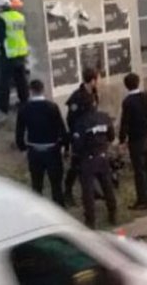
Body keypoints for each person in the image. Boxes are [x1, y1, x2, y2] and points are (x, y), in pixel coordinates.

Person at [15, 79, 68, 206]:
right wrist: (65, 146)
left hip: (34, 151)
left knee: (37, 185)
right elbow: (61, 129)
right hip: (52, 151)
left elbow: (19, 132)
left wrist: (22, 148)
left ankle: (39, 211)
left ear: (31, 91)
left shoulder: (24, 109)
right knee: (56, 185)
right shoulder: (52, 107)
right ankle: (59, 209)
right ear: (43, 90)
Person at [119, 72, 147, 210]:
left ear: (126, 86)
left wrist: (122, 139)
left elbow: (125, 122)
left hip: (136, 139)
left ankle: (142, 200)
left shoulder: (127, 102)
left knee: (139, 170)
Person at [74, 104, 117, 228]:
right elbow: (112, 136)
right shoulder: (104, 117)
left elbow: (78, 144)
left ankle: (90, 220)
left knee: (87, 191)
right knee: (107, 186)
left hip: (88, 159)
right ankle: (112, 213)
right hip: (102, 156)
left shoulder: (81, 122)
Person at [64, 67, 100, 207]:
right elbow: (70, 118)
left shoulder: (94, 94)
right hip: (80, 137)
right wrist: (76, 133)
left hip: (91, 136)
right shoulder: (77, 97)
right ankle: (68, 191)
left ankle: (93, 190)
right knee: (76, 164)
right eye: (98, 79)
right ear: (92, 81)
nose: (99, 82)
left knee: (92, 162)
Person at [0, 0, 30, 114]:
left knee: (5, 82)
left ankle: (3, 107)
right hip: (21, 52)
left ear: (0, 8)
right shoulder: (19, 16)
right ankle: (25, 102)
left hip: (8, 54)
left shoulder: (1, 18)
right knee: (21, 80)